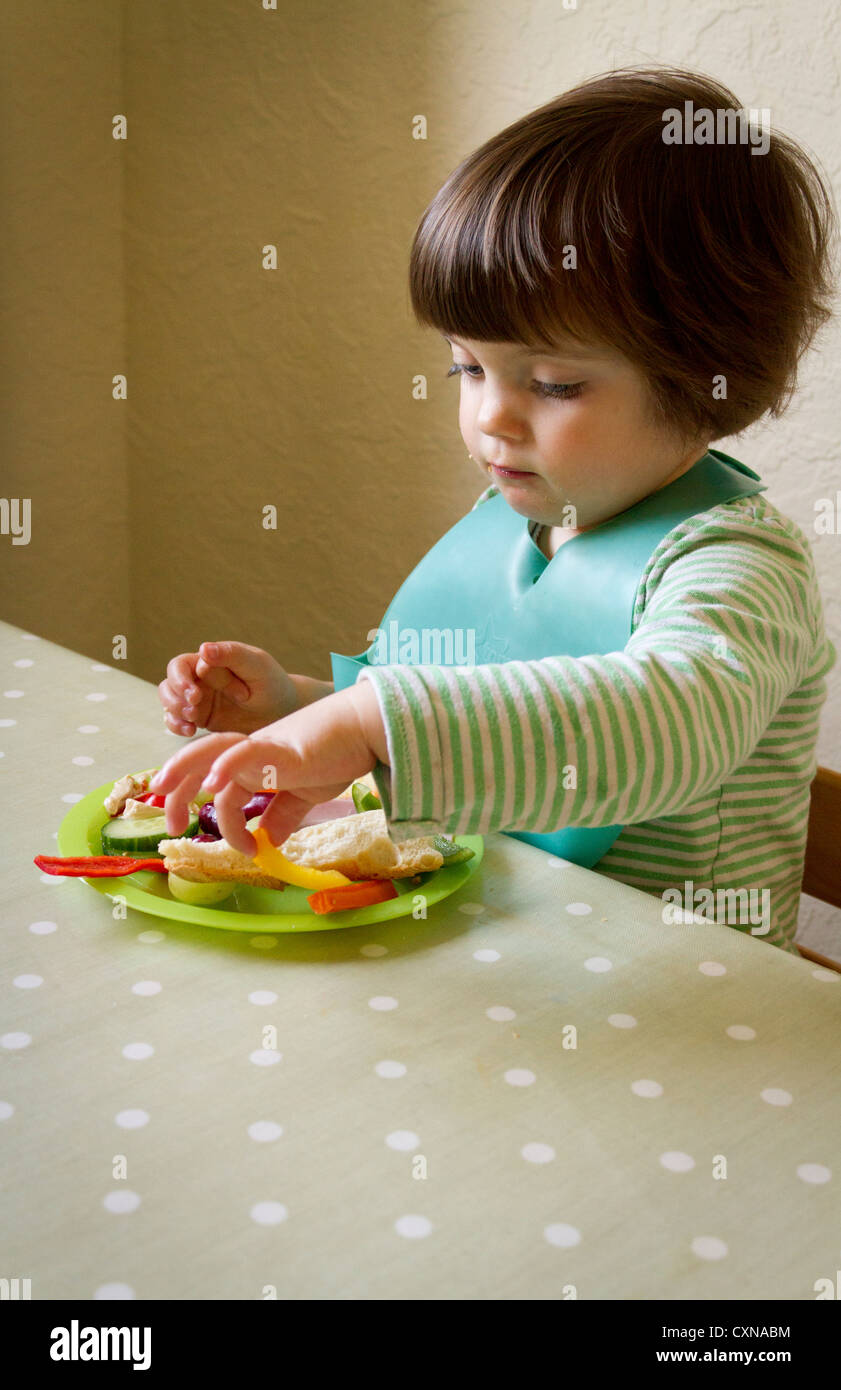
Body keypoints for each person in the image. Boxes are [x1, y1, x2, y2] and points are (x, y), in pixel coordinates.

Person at [150, 65, 837, 954]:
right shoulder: (523, 523)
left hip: (681, 1007)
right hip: (494, 957)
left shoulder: (735, 564)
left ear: (707, 376)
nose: (488, 416)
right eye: (465, 368)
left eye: (551, 382)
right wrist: (300, 709)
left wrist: (367, 726)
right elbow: (474, 700)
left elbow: (668, 722)